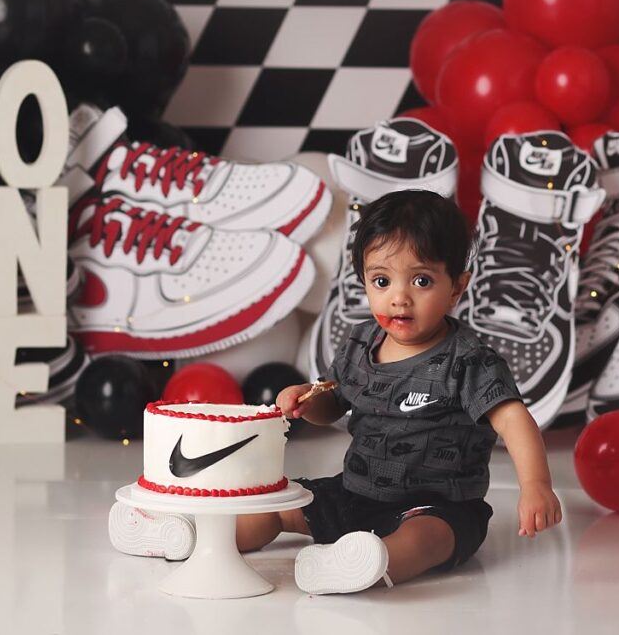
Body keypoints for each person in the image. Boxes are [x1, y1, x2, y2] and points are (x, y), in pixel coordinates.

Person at [235, 189, 562, 595]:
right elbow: (333, 403)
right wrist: (306, 399)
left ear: (457, 287)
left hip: (437, 507)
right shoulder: (359, 344)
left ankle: (361, 565)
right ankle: (209, 539)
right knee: (282, 503)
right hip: (354, 494)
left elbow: (513, 420)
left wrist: (536, 485)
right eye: (382, 281)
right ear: (364, 282)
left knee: (426, 540)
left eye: (421, 281)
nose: (399, 298)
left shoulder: (468, 360)